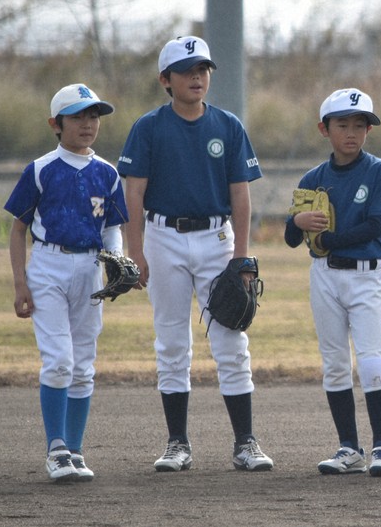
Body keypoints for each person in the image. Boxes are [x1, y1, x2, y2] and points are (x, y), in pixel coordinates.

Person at [117, 36, 272, 473]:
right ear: (166, 80)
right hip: (163, 236)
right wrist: (135, 252)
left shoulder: (227, 125)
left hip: (215, 239)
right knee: (171, 339)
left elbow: (240, 197)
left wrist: (241, 257)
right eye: (186, 71)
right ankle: (177, 443)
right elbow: (135, 192)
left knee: (230, 337)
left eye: (202, 69)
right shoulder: (149, 127)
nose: (196, 77)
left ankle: (246, 442)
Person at [5, 83, 126, 482]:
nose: (88, 123)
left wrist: (117, 262)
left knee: (84, 366)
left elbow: (111, 228)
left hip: (90, 269)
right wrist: (20, 283)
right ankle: (55, 448)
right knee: (59, 360)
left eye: (93, 116)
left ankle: (74, 451)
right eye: (77, 116)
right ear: (55, 124)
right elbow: (18, 228)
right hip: (49, 267)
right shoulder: (41, 169)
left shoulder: (107, 173)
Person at [284, 88, 381, 477]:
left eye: (360, 125)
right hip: (324, 276)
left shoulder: (379, 170)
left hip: (364, 275)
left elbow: (374, 226)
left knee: (371, 360)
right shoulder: (313, 177)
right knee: (334, 364)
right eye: (342, 124)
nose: (352, 132)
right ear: (324, 129)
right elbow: (289, 236)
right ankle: (349, 448)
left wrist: (328, 238)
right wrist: (296, 223)